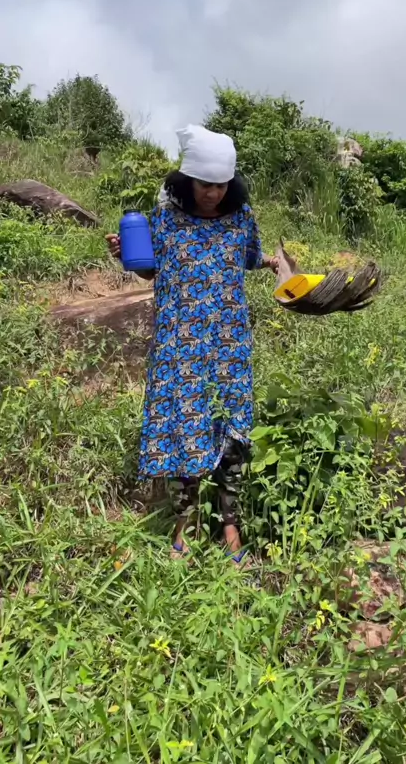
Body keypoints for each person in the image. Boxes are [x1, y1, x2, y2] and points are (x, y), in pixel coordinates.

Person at [106, 124, 278, 564]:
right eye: (205, 185)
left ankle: (231, 525)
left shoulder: (241, 217)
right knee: (185, 428)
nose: (213, 194)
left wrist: (275, 263)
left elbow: (250, 256)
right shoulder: (165, 218)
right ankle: (186, 522)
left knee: (232, 431)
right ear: (187, 181)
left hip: (229, 346)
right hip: (179, 345)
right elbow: (150, 269)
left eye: (221, 186)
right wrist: (126, 255)